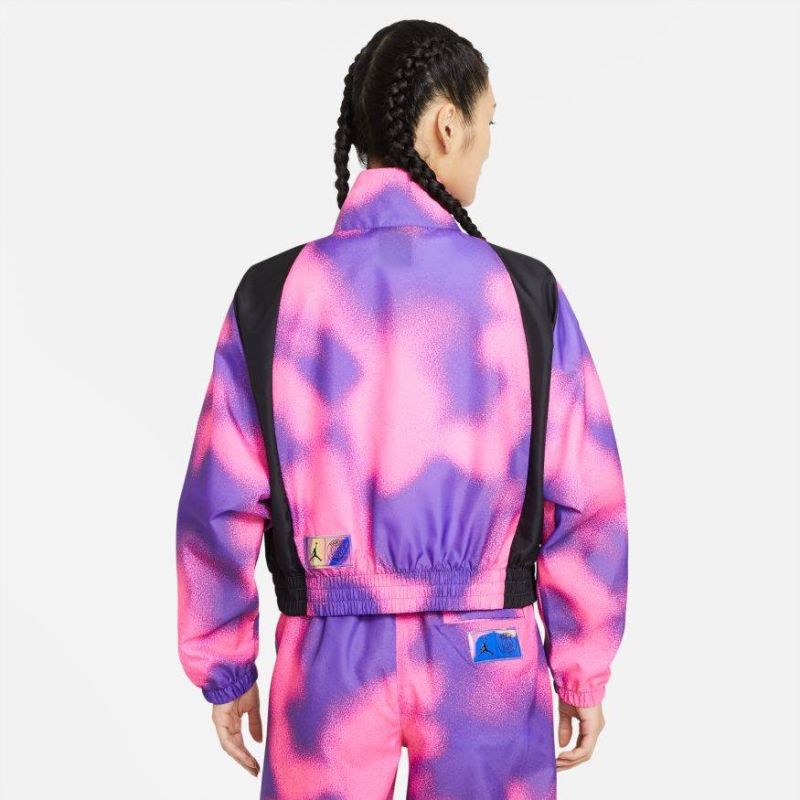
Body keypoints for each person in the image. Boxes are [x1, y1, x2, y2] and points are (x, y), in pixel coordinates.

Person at [175, 18, 628, 800]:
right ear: (448, 124)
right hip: (488, 658)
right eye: (488, 125)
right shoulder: (526, 296)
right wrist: (582, 669)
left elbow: (217, 501)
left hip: (327, 661)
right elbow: (588, 500)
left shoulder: (274, 294)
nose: (487, 148)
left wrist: (226, 667)